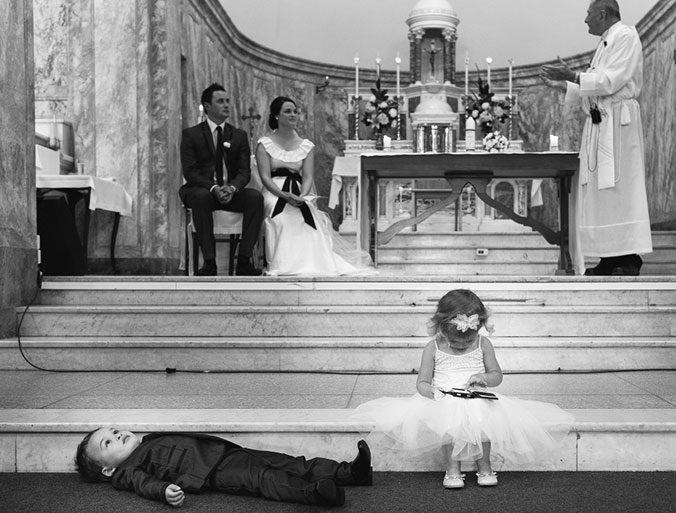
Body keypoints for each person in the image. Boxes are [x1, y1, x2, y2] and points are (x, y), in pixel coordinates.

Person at [352, 289, 574, 488]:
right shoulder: (432, 348)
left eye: (466, 343)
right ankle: (452, 468)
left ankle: (484, 465)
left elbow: (497, 376)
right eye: (456, 343)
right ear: (441, 328)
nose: (461, 346)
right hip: (444, 397)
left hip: (476, 395)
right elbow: (421, 383)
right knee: (448, 428)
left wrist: (484, 377)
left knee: (484, 425)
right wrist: (431, 392)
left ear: (478, 329)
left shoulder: (483, 344)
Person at [540, 0, 652, 276]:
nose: (586, 20)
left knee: (620, 190)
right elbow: (595, 83)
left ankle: (629, 258)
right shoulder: (604, 44)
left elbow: (610, 81)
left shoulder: (625, 36)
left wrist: (574, 76)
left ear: (603, 13)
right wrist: (566, 83)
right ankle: (610, 257)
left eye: (588, 14)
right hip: (602, 121)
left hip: (618, 123)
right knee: (604, 195)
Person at [75, 427, 373, 507]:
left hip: (221, 452)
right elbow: (144, 484)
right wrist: (164, 490)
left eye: (114, 431)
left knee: (285, 461)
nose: (116, 435)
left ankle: (348, 472)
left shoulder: (145, 443)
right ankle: (316, 493)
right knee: (264, 478)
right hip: (213, 473)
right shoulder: (126, 472)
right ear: (108, 470)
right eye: (108, 443)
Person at [255, 96, 375, 276]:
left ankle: (313, 263)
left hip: (298, 191)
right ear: (276, 116)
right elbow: (264, 177)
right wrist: (284, 195)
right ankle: (282, 264)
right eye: (288, 111)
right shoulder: (264, 144)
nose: (293, 114)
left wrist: (302, 197)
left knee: (308, 216)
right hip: (274, 190)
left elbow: (308, 176)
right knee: (279, 216)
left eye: (295, 111)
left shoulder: (306, 145)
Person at [179, 83, 264, 276]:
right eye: (220, 101)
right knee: (200, 197)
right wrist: (214, 187)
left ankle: (244, 261)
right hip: (203, 191)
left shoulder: (239, 135)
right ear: (207, 106)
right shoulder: (191, 134)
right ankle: (209, 263)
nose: (226, 105)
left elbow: (244, 171)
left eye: (227, 101)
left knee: (255, 198)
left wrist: (232, 188)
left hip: (230, 192)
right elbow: (190, 172)